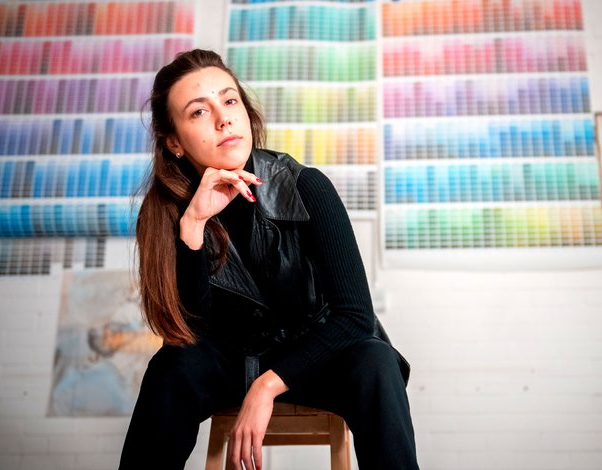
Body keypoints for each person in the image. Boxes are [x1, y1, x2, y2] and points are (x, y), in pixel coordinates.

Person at [119, 49, 419, 470]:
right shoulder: (170, 213)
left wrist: (266, 386)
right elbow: (189, 333)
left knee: (376, 361)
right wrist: (194, 227)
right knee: (172, 367)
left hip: (315, 357)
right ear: (174, 142)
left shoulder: (304, 185)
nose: (223, 119)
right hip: (229, 361)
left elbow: (353, 315)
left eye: (229, 101)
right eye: (198, 112)